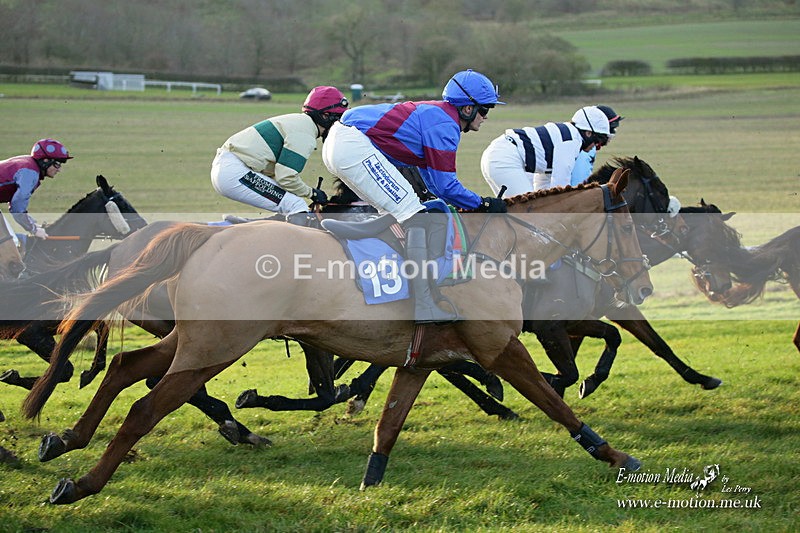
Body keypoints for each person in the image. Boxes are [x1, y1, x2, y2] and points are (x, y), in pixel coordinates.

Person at [322, 69, 507, 323]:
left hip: (342, 143)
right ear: (467, 109)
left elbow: (431, 179)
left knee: (404, 210)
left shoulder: (439, 116)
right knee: (415, 216)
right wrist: (482, 203)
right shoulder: (444, 125)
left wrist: (456, 203)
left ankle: (380, 266)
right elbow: (446, 186)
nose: (486, 117)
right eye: (485, 109)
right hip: (351, 145)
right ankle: (424, 304)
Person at [211, 86, 348, 226]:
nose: (338, 125)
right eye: (337, 119)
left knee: (290, 202)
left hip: (229, 168)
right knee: (296, 206)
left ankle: (248, 227)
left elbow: (282, 178)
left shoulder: (301, 123)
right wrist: (312, 193)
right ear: (324, 116)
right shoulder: (305, 133)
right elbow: (286, 177)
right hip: (234, 172)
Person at [480, 105, 611, 197]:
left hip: (497, 155)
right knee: (527, 210)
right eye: (598, 141)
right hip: (505, 158)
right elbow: (561, 187)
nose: (596, 146)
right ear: (588, 133)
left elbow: (544, 183)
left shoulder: (566, 135)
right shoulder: (572, 141)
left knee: (514, 213)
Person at [0, 138, 73, 240]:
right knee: (12, 243)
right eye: (57, 164)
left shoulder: (29, 164)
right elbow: (17, 207)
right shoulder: (30, 173)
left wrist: (33, 224)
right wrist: (33, 229)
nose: (59, 170)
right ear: (45, 161)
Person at [570, 104, 624, 186]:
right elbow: (578, 184)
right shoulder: (586, 149)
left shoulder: (588, 145)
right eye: (611, 128)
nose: (613, 132)